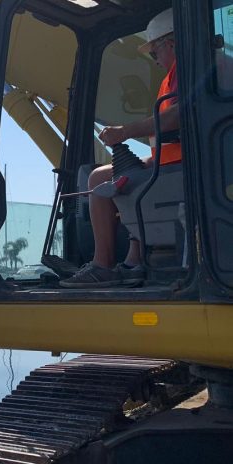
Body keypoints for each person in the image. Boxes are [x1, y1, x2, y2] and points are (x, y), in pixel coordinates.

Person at [60, 8, 181, 288]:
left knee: (98, 180)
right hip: (171, 164)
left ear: (171, 44)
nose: (156, 59)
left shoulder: (187, 69)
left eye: (155, 52)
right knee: (109, 176)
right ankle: (133, 258)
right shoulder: (177, 74)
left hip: (180, 171)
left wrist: (124, 131)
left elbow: (176, 116)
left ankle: (103, 264)